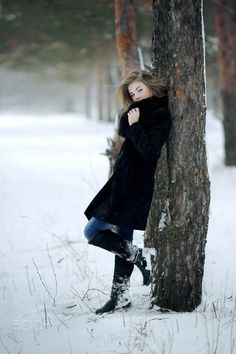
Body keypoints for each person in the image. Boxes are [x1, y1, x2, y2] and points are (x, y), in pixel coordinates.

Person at [83, 70, 172, 314]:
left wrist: (134, 127)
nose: (136, 96)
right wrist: (131, 123)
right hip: (123, 183)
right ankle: (120, 296)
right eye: (132, 94)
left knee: (91, 230)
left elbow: (150, 151)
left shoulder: (160, 114)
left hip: (135, 186)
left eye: (140, 90)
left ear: (151, 87)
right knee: (122, 241)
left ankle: (143, 258)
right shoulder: (136, 114)